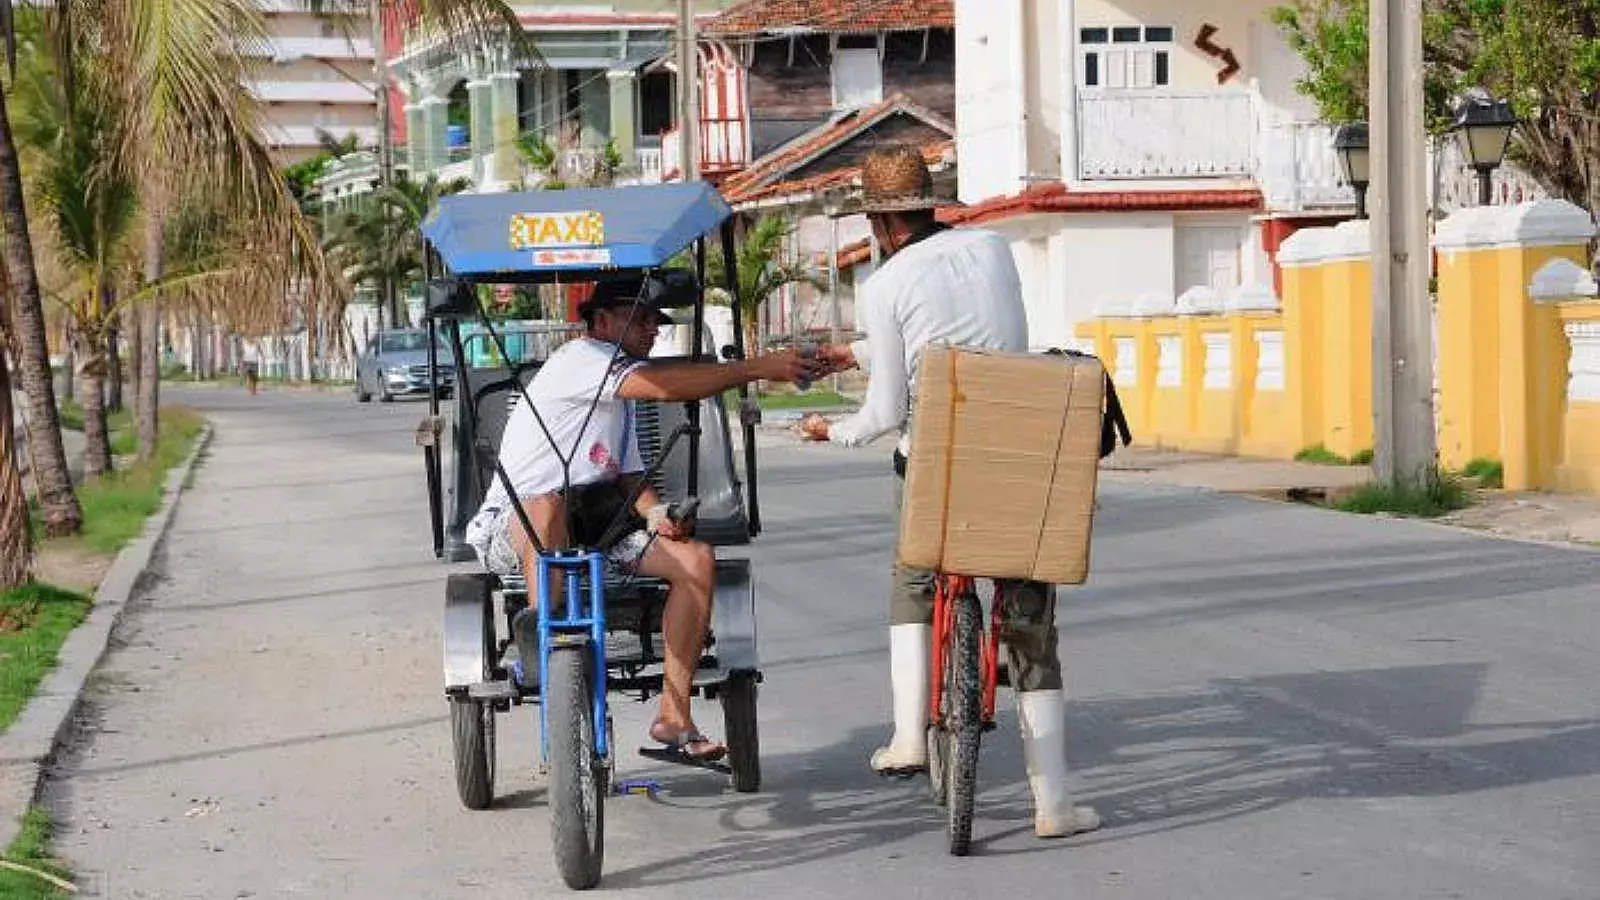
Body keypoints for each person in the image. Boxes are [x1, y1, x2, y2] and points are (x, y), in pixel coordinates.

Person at [799, 146, 1102, 839]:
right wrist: (862, 351)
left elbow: (884, 413)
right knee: (1031, 627)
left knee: (913, 576)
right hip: (1018, 451)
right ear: (929, 205)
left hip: (940, 461)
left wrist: (831, 433)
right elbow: (959, 337)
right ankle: (1053, 805)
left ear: (879, 224)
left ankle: (909, 733)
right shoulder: (993, 247)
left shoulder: (883, 286)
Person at [466, 273, 823, 763]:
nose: (653, 329)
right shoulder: (583, 359)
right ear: (602, 321)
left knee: (696, 560)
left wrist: (656, 514)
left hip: (599, 527)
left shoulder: (622, 388)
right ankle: (543, 639)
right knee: (546, 502)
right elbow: (666, 388)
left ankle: (674, 715)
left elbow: (628, 474)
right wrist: (758, 367)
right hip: (518, 526)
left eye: (656, 320)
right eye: (642, 319)